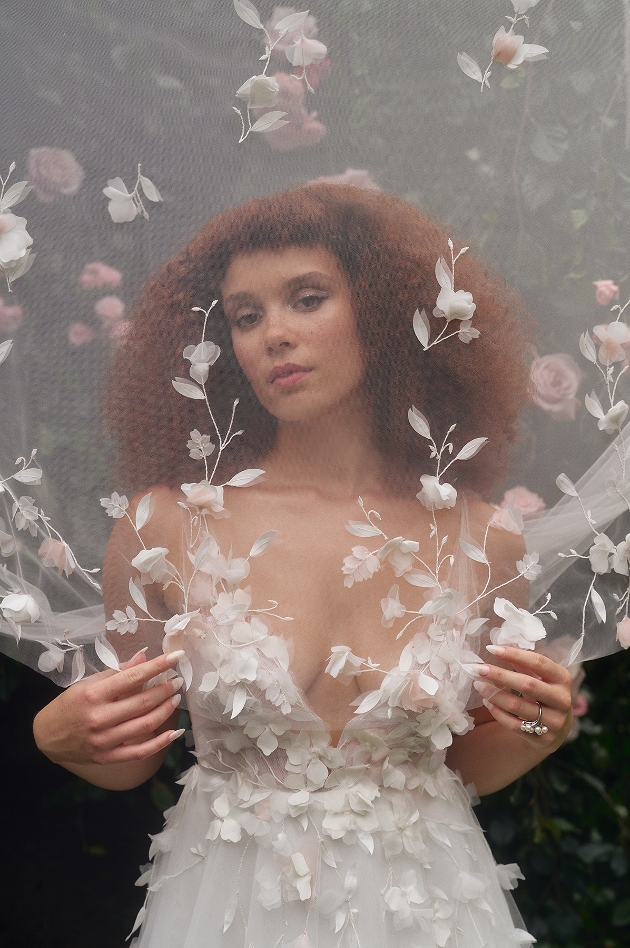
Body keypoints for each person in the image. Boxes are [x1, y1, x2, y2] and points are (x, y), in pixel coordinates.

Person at [31, 184, 573, 947]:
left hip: (430, 909)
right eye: (247, 317)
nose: (273, 335)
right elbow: (130, 755)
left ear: (384, 312)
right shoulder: (168, 527)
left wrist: (535, 729)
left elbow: (456, 764)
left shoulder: (483, 540)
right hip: (229, 907)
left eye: (307, 299)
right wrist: (57, 735)